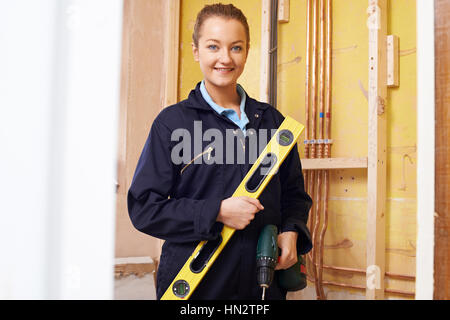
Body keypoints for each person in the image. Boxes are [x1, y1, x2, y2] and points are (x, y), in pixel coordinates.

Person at [127, 3, 312, 300]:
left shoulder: (273, 123)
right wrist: (217, 211)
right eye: (213, 47)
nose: (225, 58)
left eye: (236, 48)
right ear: (197, 50)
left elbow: (294, 195)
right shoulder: (172, 124)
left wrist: (292, 230)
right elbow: (145, 208)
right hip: (195, 286)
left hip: (261, 286)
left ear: (247, 51)